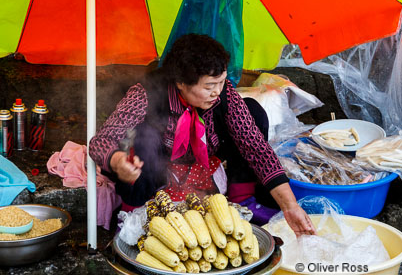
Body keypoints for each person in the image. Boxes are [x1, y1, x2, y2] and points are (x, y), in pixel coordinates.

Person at [89, 34, 315, 236]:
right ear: (180, 82)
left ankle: (243, 198)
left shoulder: (223, 93)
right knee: (145, 136)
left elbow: (254, 146)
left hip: (206, 153)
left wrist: (290, 207)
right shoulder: (146, 92)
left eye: (221, 82)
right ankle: (131, 214)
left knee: (253, 111)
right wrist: (118, 162)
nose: (217, 91)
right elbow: (102, 140)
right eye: (209, 86)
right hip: (157, 163)